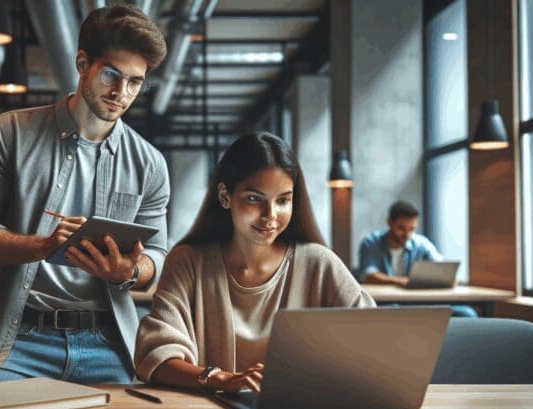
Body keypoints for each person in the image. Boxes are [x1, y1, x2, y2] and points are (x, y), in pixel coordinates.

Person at [0, 4, 169, 385]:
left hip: (108, 343)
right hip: (21, 341)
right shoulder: (10, 133)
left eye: (135, 82)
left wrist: (130, 271)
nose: (121, 93)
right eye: (111, 75)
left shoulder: (149, 164)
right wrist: (40, 246)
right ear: (83, 63)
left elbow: (158, 254)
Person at [134, 133, 376, 393]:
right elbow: (156, 356)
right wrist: (220, 379)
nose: (270, 215)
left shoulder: (319, 262)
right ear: (225, 196)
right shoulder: (188, 262)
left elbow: (374, 336)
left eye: (283, 200)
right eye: (254, 198)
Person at [357, 201, 478, 317]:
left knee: (467, 313)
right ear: (390, 223)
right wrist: (404, 282)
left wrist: (448, 279)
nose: (407, 234)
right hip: (386, 302)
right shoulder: (371, 243)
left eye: (412, 229)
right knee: (393, 310)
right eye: (401, 228)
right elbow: (369, 276)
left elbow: (445, 271)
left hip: (419, 302)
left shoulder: (421, 244)